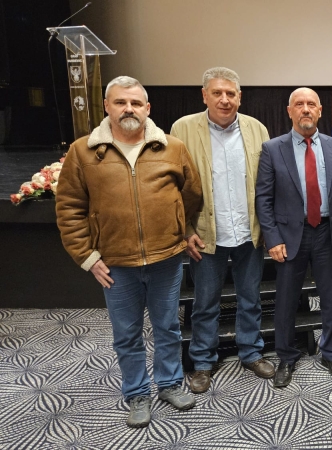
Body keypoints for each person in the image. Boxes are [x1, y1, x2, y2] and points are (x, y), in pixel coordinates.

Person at [56, 76, 202, 428]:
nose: (129, 109)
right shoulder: (83, 152)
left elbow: (191, 193)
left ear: (147, 108)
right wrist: (87, 257)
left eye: (136, 103)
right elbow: (69, 208)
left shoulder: (172, 147)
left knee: (168, 327)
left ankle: (169, 383)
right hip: (115, 264)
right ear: (107, 106)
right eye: (121, 102)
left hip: (166, 258)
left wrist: (181, 229)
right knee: (127, 334)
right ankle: (137, 392)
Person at [170, 67, 274, 394]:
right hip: (205, 234)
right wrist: (186, 229)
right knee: (205, 303)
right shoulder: (182, 129)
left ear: (240, 97)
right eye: (217, 93)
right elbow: (174, 187)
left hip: (249, 232)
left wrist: (269, 228)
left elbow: (268, 183)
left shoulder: (257, 129)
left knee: (250, 299)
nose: (224, 100)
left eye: (231, 94)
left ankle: (251, 352)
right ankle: (202, 362)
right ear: (205, 96)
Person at [255, 87, 332, 388]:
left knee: (331, 298)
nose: (305, 109)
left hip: (327, 232)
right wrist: (272, 238)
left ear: (320, 110)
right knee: (286, 300)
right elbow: (264, 199)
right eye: (299, 104)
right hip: (289, 236)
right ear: (289, 111)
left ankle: (330, 353)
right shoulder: (273, 149)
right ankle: (286, 357)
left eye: (311, 104)